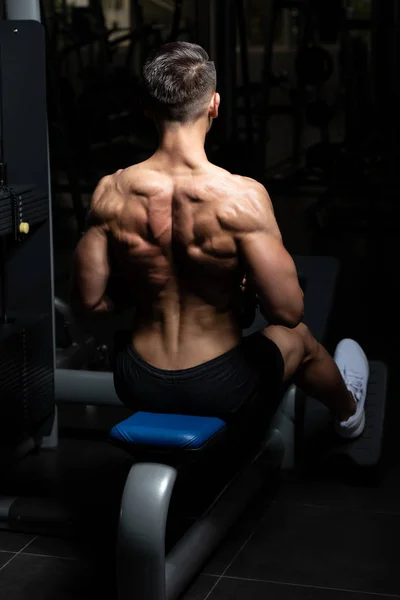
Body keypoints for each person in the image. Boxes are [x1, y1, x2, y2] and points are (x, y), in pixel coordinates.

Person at [70, 41, 368, 439]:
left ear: (147, 108)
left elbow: (88, 302)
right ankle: (349, 413)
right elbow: (287, 311)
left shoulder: (111, 191)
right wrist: (241, 289)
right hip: (218, 385)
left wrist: (150, 285)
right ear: (214, 104)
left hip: (135, 377)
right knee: (298, 337)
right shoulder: (241, 198)